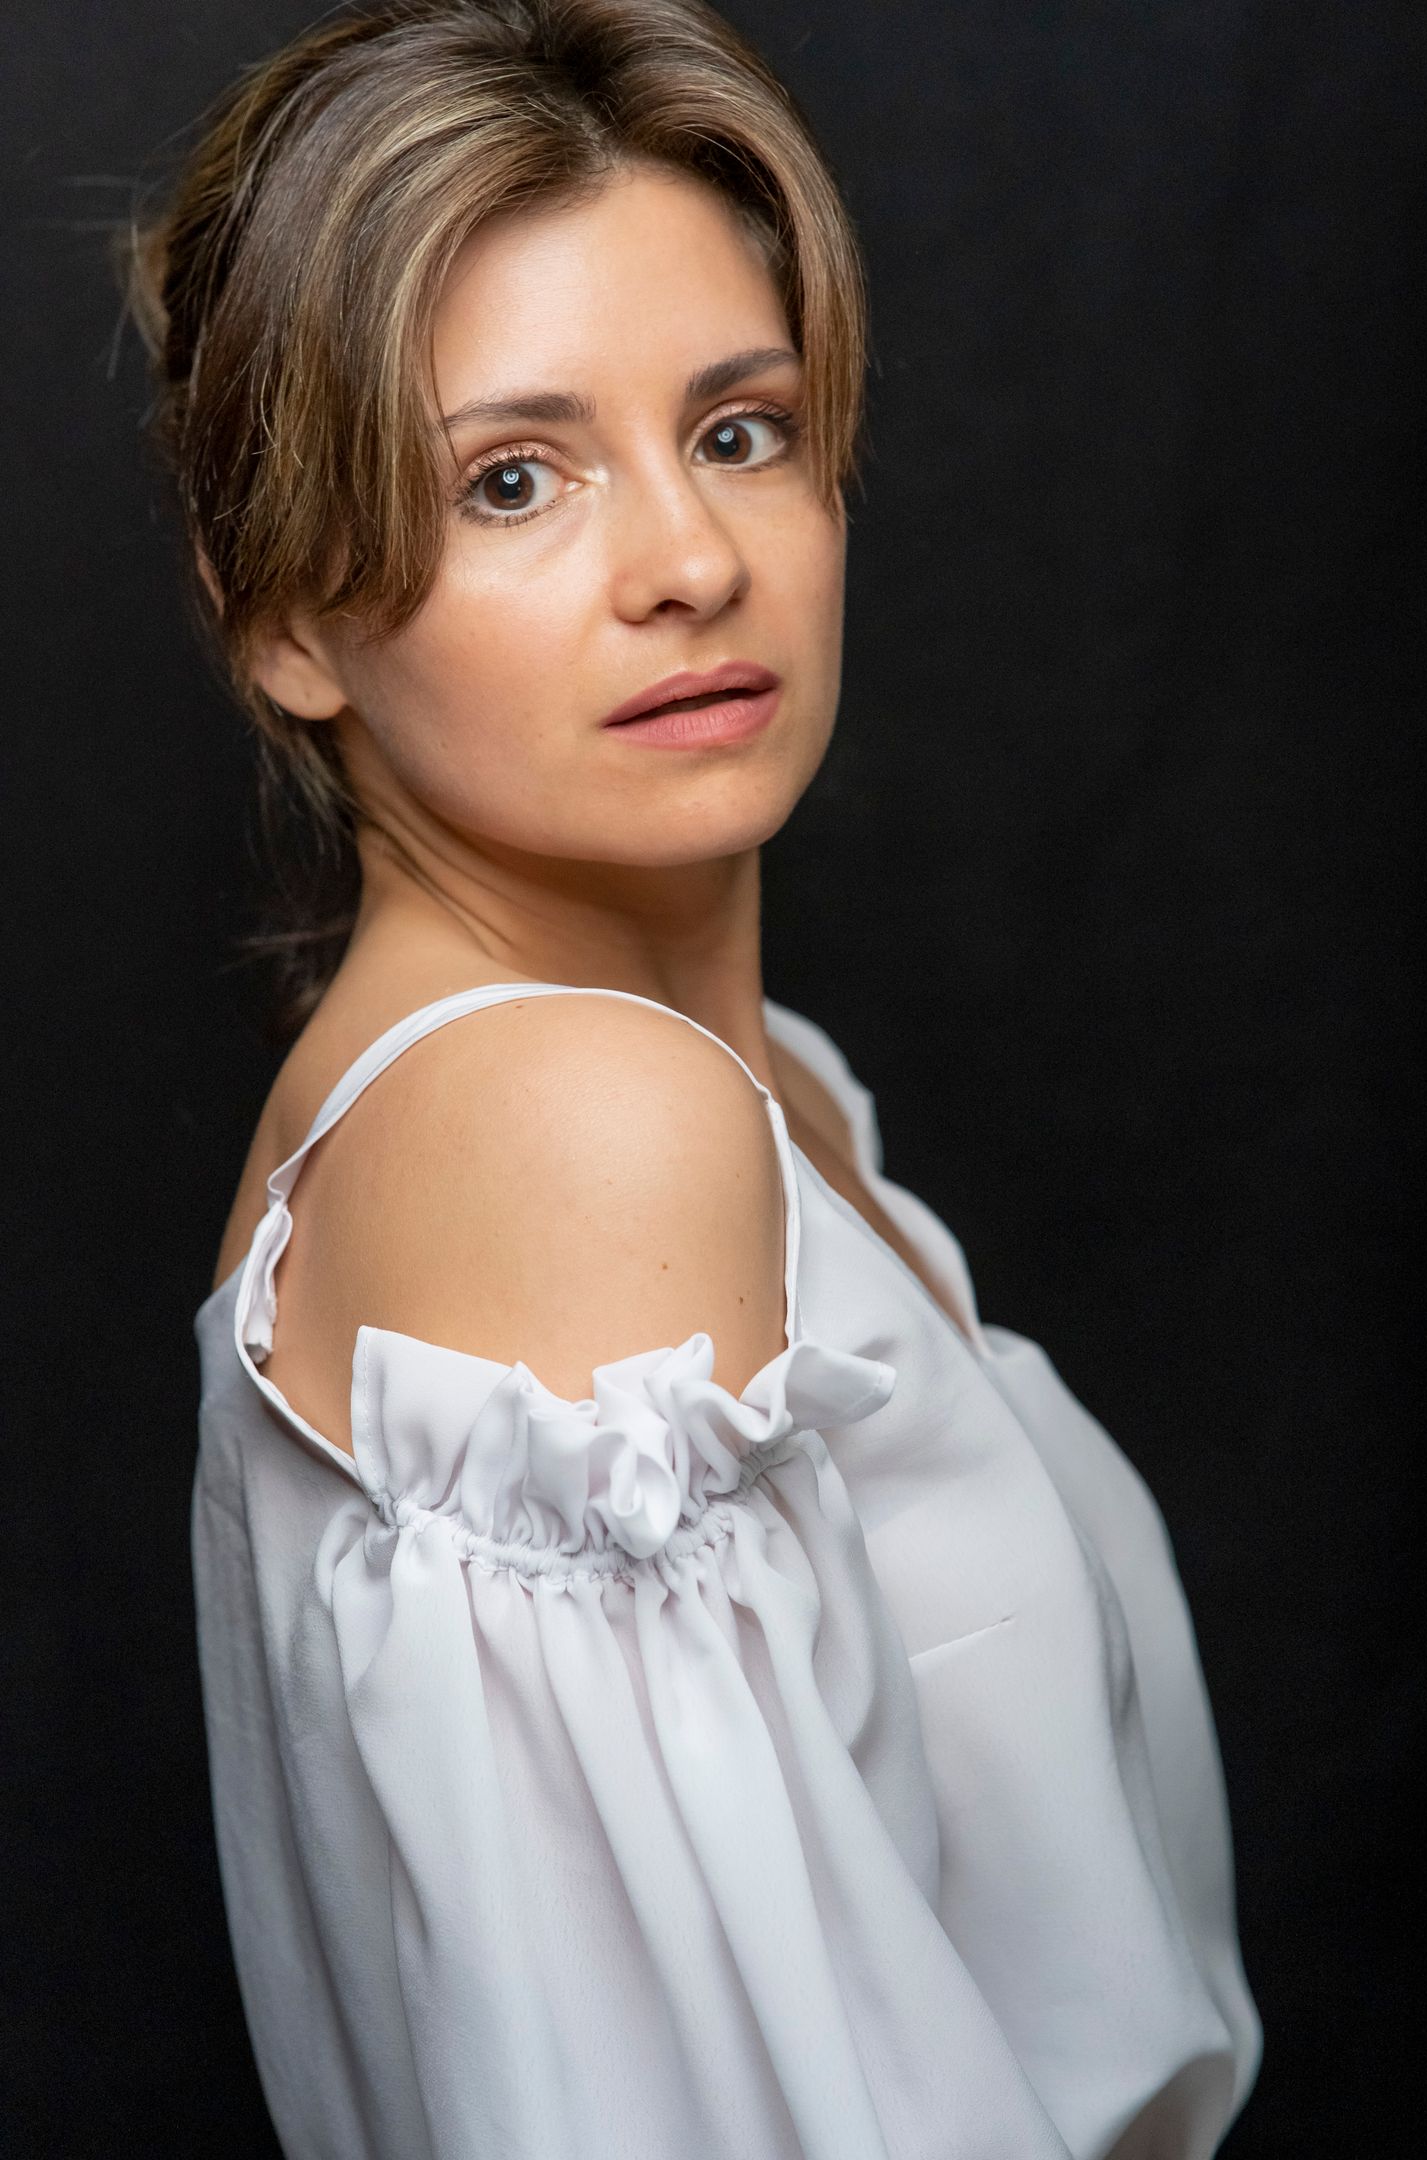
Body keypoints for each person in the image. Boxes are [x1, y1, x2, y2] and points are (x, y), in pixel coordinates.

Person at [130, 2, 1261, 2152]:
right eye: (514, 477)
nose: (693, 562)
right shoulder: (566, 1127)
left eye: (740, 430)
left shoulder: (753, 1095)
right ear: (280, 614)